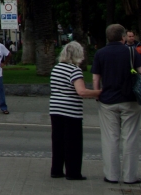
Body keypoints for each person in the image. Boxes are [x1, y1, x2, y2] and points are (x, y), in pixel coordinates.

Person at [92, 23, 141, 184]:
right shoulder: (132, 52)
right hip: (130, 100)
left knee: (110, 138)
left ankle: (111, 175)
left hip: (108, 100)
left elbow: (96, 78)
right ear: (123, 37)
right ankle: (130, 176)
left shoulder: (100, 53)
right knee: (131, 138)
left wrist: (97, 94)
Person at [50, 41, 99, 180]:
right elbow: (81, 91)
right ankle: (73, 172)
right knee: (73, 143)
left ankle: (56, 170)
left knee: (58, 141)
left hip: (55, 108)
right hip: (70, 110)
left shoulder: (56, 68)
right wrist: (99, 92)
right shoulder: (74, 70)